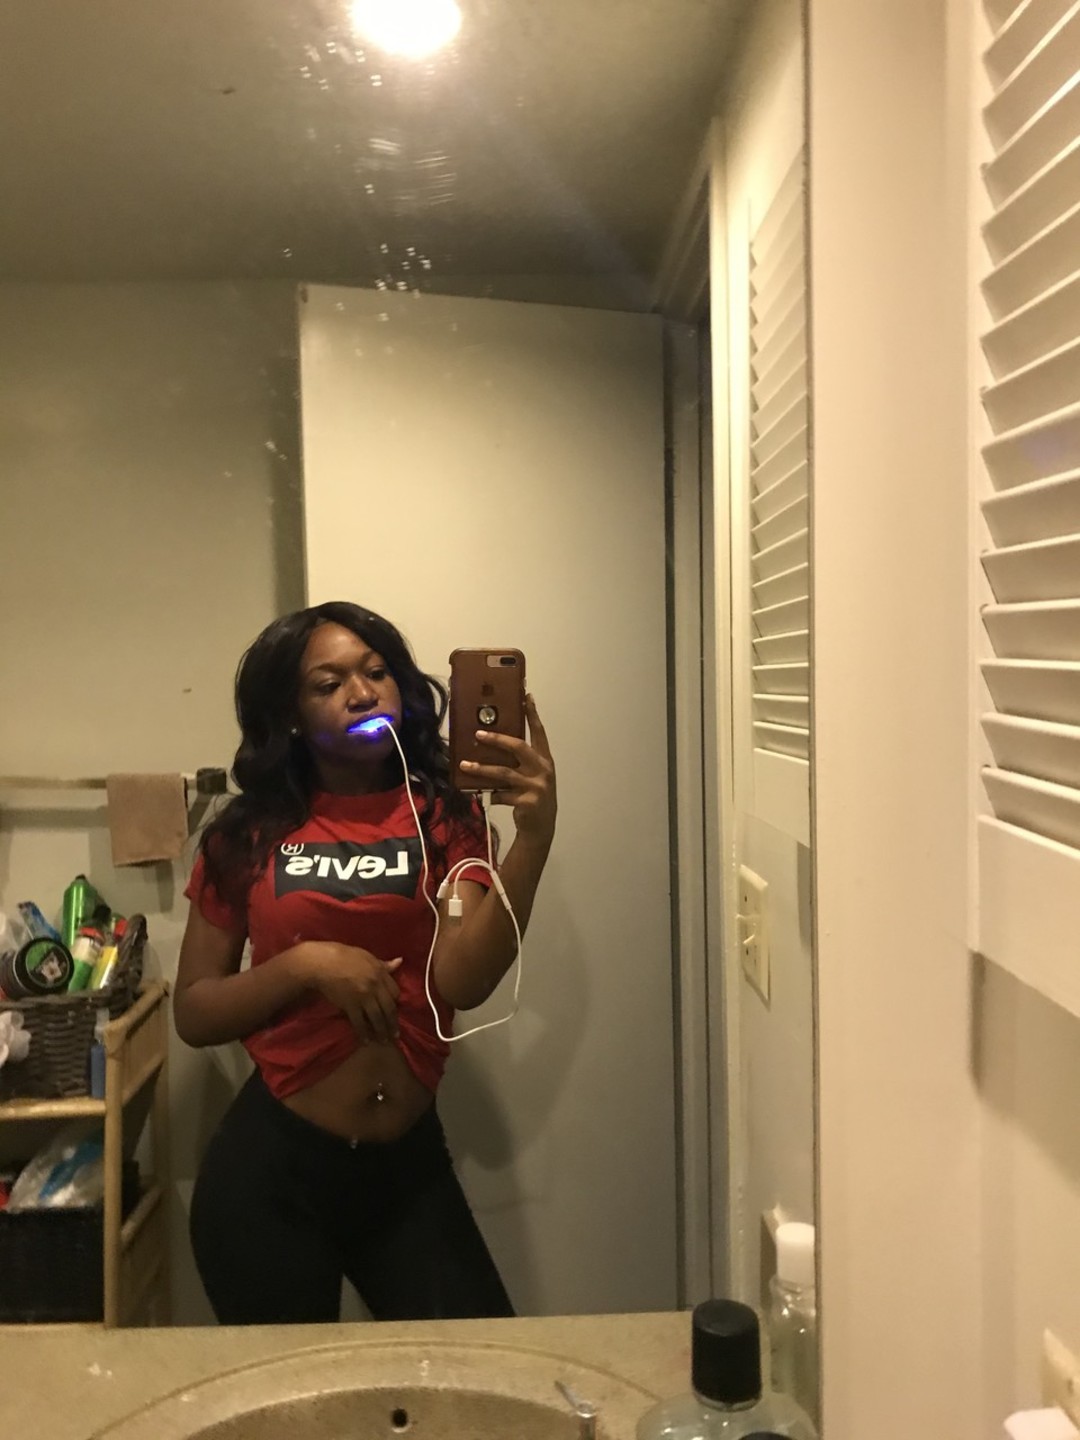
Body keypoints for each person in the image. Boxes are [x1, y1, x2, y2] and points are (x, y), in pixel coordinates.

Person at [174, 600, 556, 1325]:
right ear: (290, 716)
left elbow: (463, 981)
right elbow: (194, 1011)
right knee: (296, 1390)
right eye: (329, 683)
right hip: (273, 1178)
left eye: (376, 672)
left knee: (477, 1368)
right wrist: (306, 965)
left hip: (406, 1171)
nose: (361, 692)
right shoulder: (247, 834)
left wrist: (533, 840)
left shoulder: (445, 816)